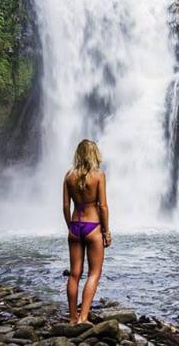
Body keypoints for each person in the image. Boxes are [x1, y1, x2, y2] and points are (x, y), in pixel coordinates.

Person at [63, 139, 112, 324]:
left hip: (75, 225)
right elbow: (103, 206)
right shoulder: (98, 176)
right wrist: (106, 231)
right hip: (93, 226)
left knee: (74, 274)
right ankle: (83, 317)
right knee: (94, 273)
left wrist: (70, 226)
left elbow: (66, 206)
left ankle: (72, 318)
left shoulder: (69, 176)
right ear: (94, 154)